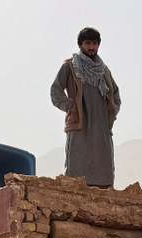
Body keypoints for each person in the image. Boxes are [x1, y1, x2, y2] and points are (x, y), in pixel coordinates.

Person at [50, 26, 121, 188]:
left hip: (102, 126)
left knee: (104, 169)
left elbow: (116, 94)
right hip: (80, 124)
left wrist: (112, 110)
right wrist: (70, 106)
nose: (91, 47)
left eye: (95, 43)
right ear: (80, 45)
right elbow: (55, 90)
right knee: (77, 169)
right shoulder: (70, 66)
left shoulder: (104, 71)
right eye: (88, 43)